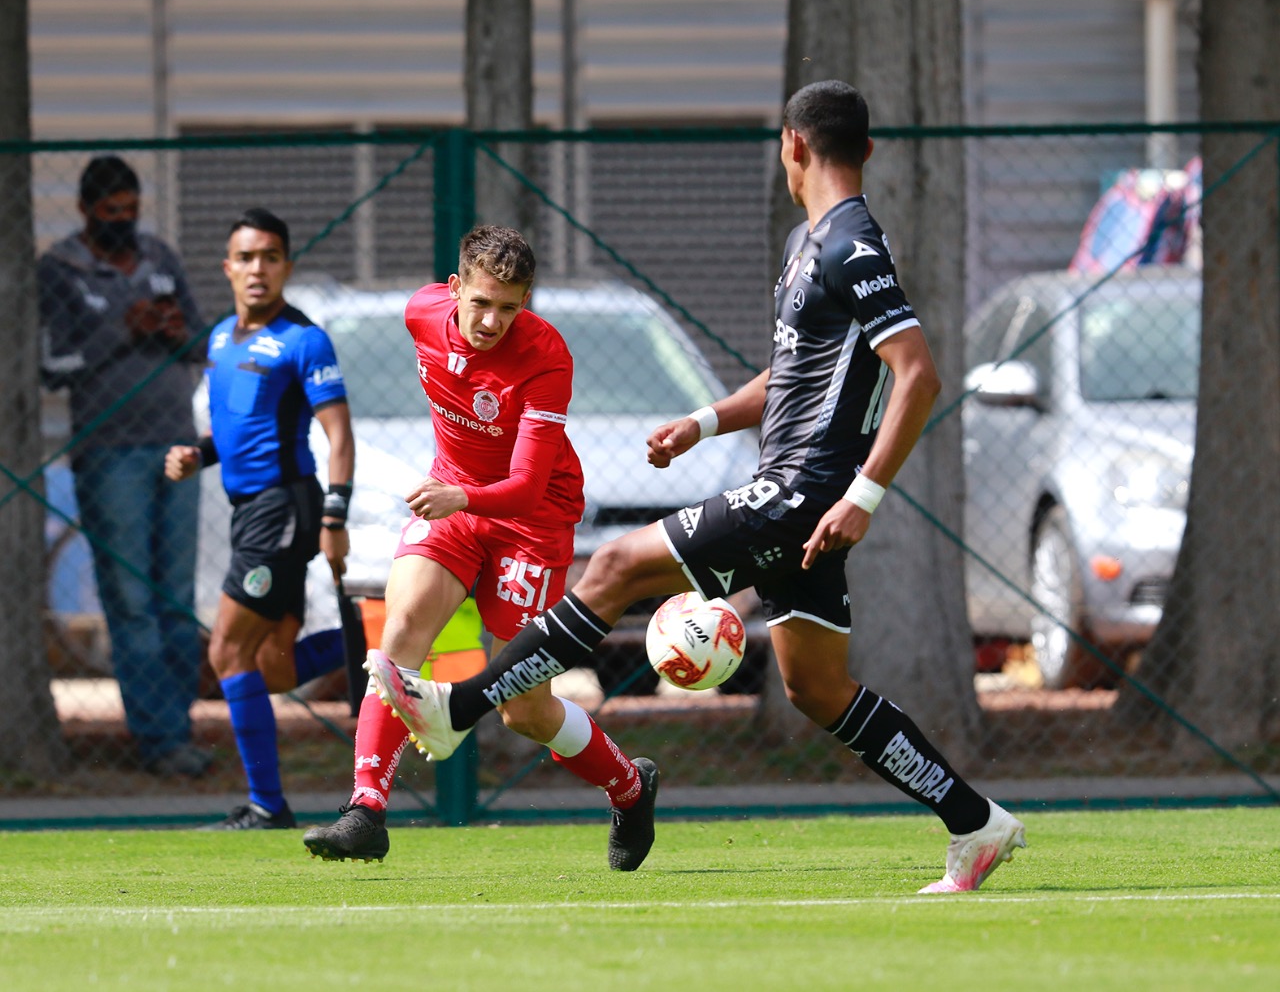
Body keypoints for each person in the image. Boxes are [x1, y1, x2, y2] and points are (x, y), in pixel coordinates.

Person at [366, 82, 1028, 894]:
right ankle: (974, 820)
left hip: (804, 490)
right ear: (868, 148)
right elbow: (794, 376)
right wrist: (704, 422)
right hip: (791, 486)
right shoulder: (808, 239)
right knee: (816, 687)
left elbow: (918, 375)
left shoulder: (850, 243)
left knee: (611, 568)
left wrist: (863, 495)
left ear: (792, 145)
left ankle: (456, 707)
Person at [302, 225, 659, 871]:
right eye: (482, 302)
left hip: (531, 519)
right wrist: (455, 494)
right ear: (454, 288)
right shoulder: (420, 313)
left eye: (511, 307)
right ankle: (366, 809)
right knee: (402, 631)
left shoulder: (547, 355)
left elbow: (523, 487)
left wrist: (459, 496)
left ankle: (630, 786)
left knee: (525, 710)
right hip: (457, 502)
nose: (493, 320)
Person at [165, 208, 355, 829]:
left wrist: (336, 515)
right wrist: (200, 453)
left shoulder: (303, 340)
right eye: (246, 258)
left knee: (225, 652)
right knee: (272, 666)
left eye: (270, 257)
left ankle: (266, 806)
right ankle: (373, 645)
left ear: (287, 267)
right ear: (227, 268)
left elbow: (339, 435)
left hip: (283, 509)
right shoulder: (221, 337)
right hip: (251, 511)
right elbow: (236, 429)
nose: (257, 269)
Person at [39, 155, 209, 778]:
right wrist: (120, 328)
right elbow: (51, 366)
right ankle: (159, 739)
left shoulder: (159, 256)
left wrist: (172, 330)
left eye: (132, 213)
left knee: (176, 598)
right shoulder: (58, 269)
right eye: (112, 214)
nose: (125, 223)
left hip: (177, 446)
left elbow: (201, 342)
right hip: (109, 452)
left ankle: (180, 727)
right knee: (132, 599)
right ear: (86, 212)